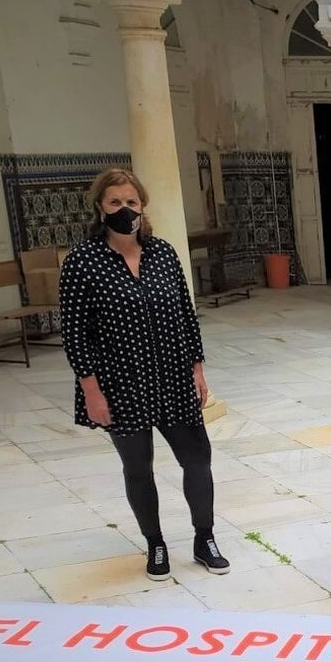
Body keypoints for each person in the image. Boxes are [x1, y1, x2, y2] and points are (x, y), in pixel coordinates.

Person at [58, 167, 229, 582]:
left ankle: (204, 537)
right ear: (100, 207)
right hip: (120, 382)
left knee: (198, 459)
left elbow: (187, 316)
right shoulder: (82, 262)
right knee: (139, 467)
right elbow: (75, 332)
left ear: (142, 206)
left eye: (131, 202)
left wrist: (197, 368)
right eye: (115, 202)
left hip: (172, 374)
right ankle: (154, 544)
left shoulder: (163, 254)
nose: (124, 210)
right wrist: (92, 391)